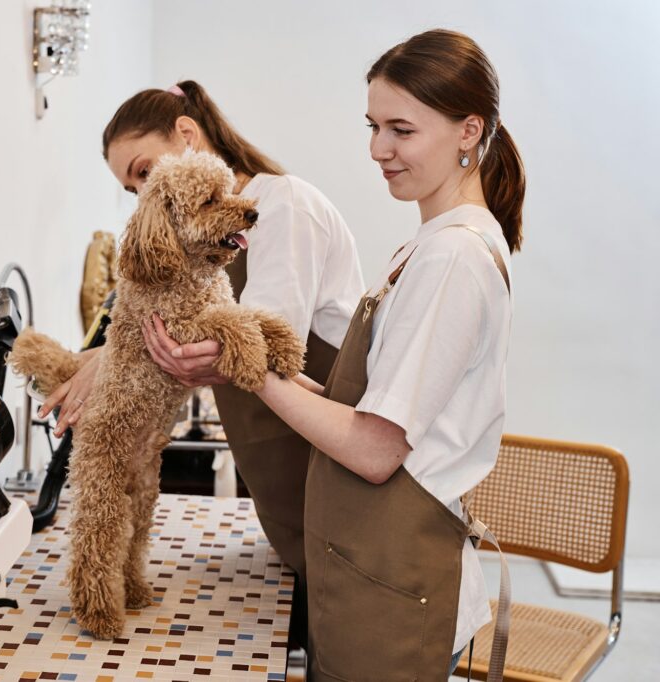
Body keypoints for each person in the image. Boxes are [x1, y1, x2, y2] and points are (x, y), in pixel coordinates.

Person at [145, 30, 524, 679]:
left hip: (394, 586)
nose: (378, 149)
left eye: (401, 130)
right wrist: (239, 362)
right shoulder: (429, 245)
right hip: (366, 567)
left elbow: (375, 450)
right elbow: (354, 410)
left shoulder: (454, 258)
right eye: (374, 126)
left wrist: (246, 362)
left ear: (469, 130)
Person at [38, 80, 365, 644]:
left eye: (143, 172)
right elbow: (160, 322)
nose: (140, 193)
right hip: (280, 486)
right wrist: (100, 359)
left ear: (187, 137)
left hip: (327, 467)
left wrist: (102, 361)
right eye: (131, 186)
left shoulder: (282, 206)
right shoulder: (197, 254)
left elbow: (250, 350)